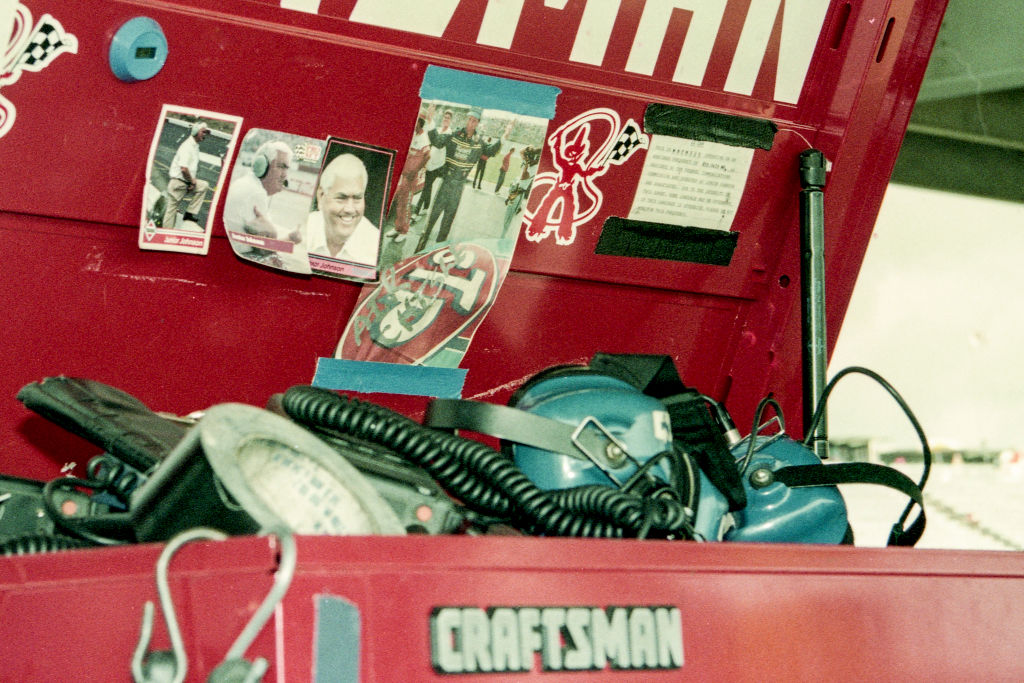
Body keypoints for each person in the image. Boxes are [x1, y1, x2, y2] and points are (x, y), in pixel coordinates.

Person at [416, 105, 511, 253]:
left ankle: (437, 252)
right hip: (446, 182)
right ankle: (419, 248)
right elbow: (437, 141)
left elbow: (490, 151)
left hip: (459, 187)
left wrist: (505, 135)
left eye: (474, 120)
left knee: (447, 222)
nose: (470, 123)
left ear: (478, 123)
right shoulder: (454, 135)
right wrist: (430, 120)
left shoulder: (479, 142)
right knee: (432, 217)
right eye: (469, 119)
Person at [223, 140, 298, 256]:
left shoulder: (248, 183)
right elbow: (265, 250)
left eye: (286, 168)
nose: (285, 175)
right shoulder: (256, 193)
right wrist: (291, 240)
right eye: (281, 167)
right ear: (262, 166)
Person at [306, 153, 380, 266]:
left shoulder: (375, 247)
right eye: (341, 198)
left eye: (357, 198)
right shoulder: (304, 230)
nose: (350, 209)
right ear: (321, 196)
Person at [385, 114, 431, 244]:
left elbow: (428, 155)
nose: (413, 124)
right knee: (399, 201)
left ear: (420, 123)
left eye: (416, 122)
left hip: (411, 177)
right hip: (404, 174)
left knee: (406, 204)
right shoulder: (413, 134)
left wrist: (417, 169)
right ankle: (397, 228)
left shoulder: (423, 137)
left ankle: (404, 232)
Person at [163, 120, 211, 230]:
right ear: (195, 132)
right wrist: (191, 182)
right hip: (178, 183)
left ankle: (189, 213)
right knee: (171, 210)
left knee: (203, 186)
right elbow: (184, 169)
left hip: (185, 182)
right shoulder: (187, 147)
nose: (204, 135)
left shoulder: (195, 146)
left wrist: (191, 182)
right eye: (203, 132)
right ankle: (166, 232)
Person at [414, 108, 452, 216]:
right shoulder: (438, 129)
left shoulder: (449, 133)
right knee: (428, 186)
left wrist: (431, 121)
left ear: (451, 121)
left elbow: (438, 143)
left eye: (448, 118)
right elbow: (430, 141)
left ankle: (416, 211)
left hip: (438, 166)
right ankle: (426, 207)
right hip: (430, 163)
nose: (446, 119)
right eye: (445, 117)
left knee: (427, 185)